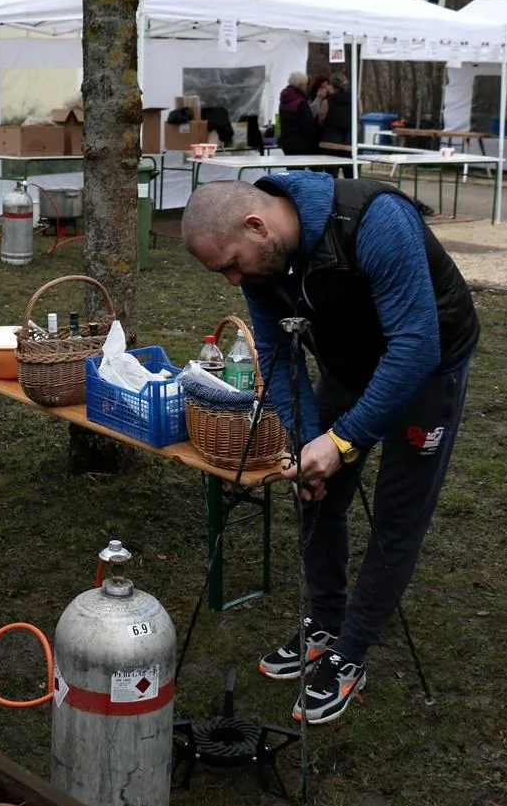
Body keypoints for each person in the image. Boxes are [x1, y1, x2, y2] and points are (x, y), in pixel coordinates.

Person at [181, 173, 478, 724]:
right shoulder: (262, 258)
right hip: (351, 366)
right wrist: (306, 443)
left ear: (256, 225)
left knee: (396, 514)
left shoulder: (375, 221)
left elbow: (415, 347)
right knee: (312, 491)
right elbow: (275, 353)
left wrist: (341, 441)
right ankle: (324, 621)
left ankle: (352, 651)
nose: (230, 279)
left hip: (429, 366)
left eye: (230, 264)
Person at [276, 71, 316, 156]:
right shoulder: (301, 102)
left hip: (287, 143)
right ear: (302, 85)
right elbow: (308, 125)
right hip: (301, 144)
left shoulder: (283, 100)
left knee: (291, 168)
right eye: (305, 84)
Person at [316, 71, 354, 148]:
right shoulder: (355, 99)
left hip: (329, 141)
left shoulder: (327, 101)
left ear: (331, 85)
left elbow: (321, 120)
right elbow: (359, 116)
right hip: (349, 141)